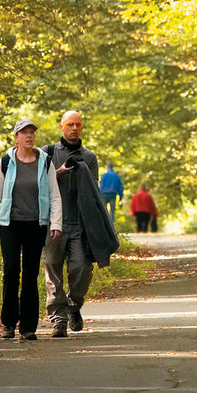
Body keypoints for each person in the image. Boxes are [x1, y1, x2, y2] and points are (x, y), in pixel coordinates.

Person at [0, 119, 63, 341]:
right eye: (24, 133)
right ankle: (8, 324)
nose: (29, 136)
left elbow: (55, 196)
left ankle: (28, 327)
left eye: (32, 133)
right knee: (10, 271)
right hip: (10, 224)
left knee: (30, 274)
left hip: (36, 224)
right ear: (16, 137)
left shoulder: (45, 163)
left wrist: (56, 223)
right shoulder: (6, 162)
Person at [41, 110, 120, 337]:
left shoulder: (90, 157)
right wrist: (59, 173)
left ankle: (74, 305)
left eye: (78, 125)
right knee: (53, 273)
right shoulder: (47, 153)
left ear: (81, 127)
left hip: (80, 224)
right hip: (53, 223)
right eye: (70, 124)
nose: (74, 128)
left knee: (82, 269)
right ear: (61, 127)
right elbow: (39, 184)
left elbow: (94, 191)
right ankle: (58, 320)